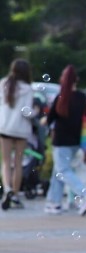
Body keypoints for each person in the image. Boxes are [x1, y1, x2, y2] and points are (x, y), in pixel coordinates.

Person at [44, 65, 86, 215]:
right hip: (77, 141)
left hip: (61, 140)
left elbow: (50, 117)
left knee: (63, 170)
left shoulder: (62, 96)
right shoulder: (83, 97)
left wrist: (43, 122)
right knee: (57, 171)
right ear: (76, 79)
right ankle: (54, 203)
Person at [0, 59, 34, 210]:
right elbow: (26, 111)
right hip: (21, 129)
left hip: (5, 127)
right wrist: (36, 114)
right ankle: (14, 194)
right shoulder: (28, 88)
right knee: (18, 163)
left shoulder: (3, 84)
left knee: (6, 162)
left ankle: (7, 189)